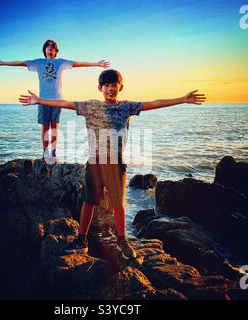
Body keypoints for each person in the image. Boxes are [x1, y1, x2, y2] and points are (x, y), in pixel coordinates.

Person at [19, 69, 206, 259]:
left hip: (116, 164)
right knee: (89, 202)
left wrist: (182, 99)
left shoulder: (126, 107)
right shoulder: (90, 106)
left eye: (114, 85)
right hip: (94, 163)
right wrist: (39, 100)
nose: (110, 89)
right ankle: (81, 241)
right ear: (100, 88)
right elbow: (64, 103)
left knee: (118, 204)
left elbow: (154, 103)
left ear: (120, 87)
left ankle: (122, 241)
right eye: (106, 85)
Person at [0, 40, 110, 163]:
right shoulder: (39, 62)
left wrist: (96, 64)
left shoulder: (61, 62)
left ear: (56, 51)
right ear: (44, 49)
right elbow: (19, 62)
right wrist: (2, 63)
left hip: (57, 100)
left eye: (53, 47)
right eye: (48, 46)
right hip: (42, 100)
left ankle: (53, 152)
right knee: (45, 127)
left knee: (54, 127)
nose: (50, 48)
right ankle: (45, 153)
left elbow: (79, 63)